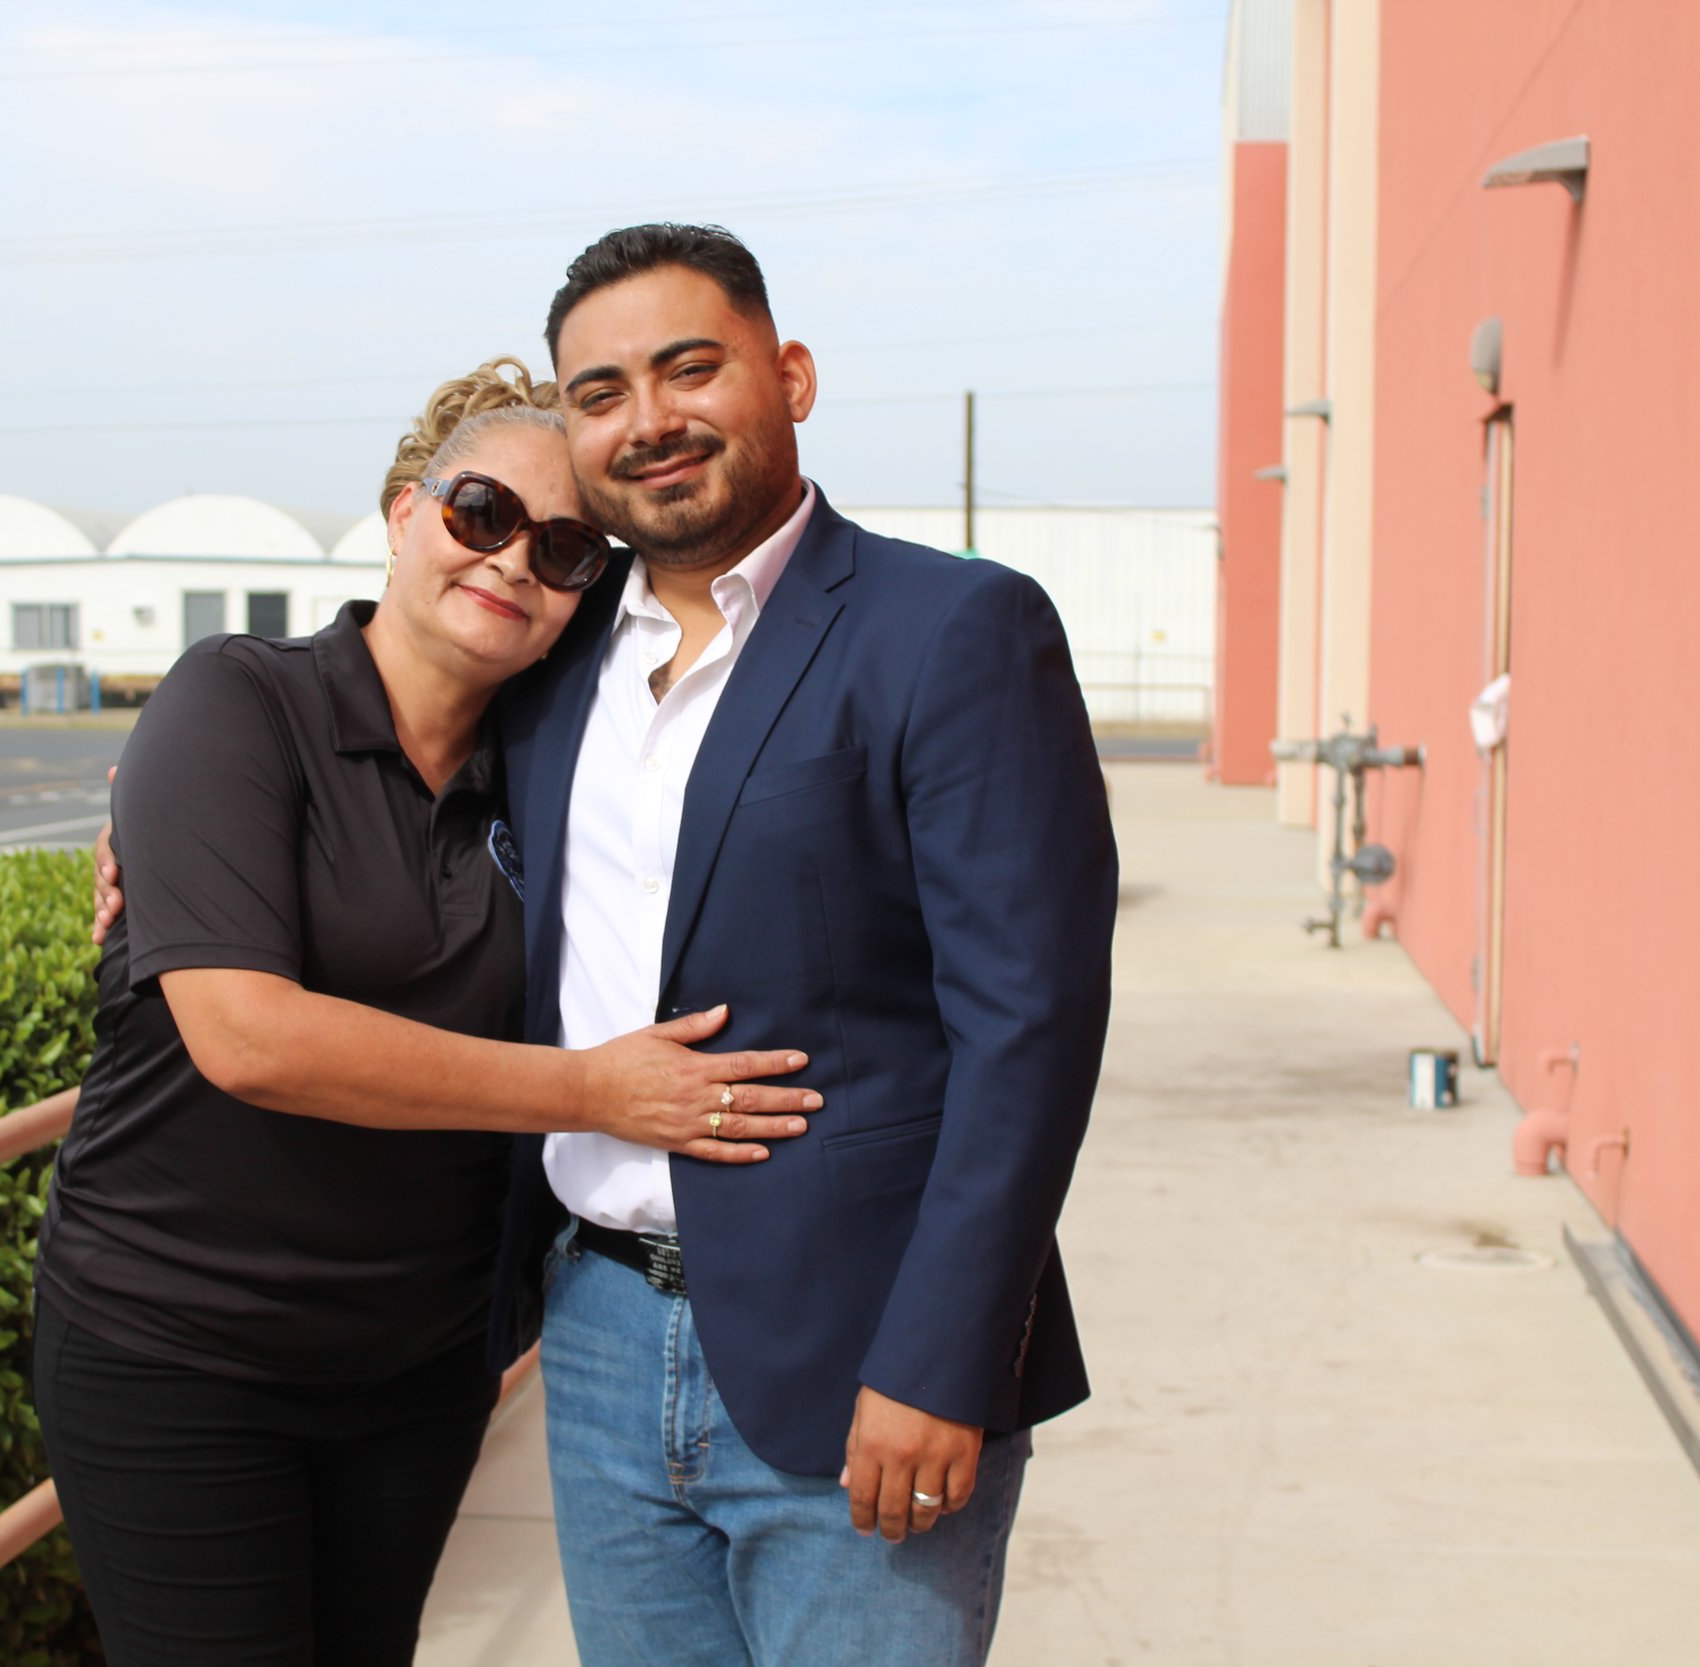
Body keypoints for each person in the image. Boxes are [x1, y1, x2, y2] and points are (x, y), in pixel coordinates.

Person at [34, 358, 821, 1667]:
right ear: (406, 511)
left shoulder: (559, 771)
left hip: (420, 1364)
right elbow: (246, 1036)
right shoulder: (239, 701)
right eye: (481, 513)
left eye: (565, 549)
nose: (513, 560)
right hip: (180, 1347)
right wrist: (594, 1090)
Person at [479, 224, 1118, 1667]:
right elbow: (396, 680)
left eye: (688, 369)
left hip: (864, 1349)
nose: (649, 421)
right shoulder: (553, 656)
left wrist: (945, 1357)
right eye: (599, 394)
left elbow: (1030, 1028)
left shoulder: (952, 628)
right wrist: (175, 793)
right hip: (595, 1336)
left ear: (792, 377)